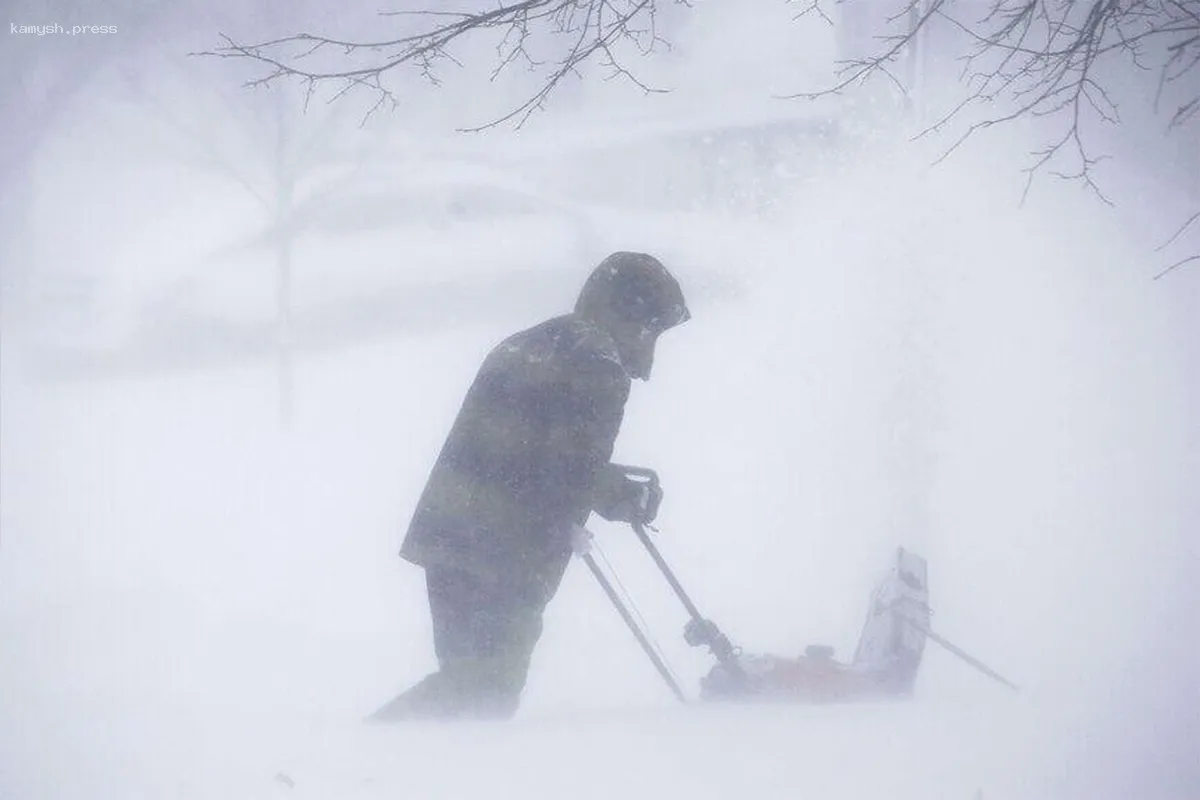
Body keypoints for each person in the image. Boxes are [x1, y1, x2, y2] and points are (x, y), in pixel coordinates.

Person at [371, 251, 691, 721]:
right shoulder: (598, 363)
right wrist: (624, 497)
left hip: (449, 537)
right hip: (506, 550)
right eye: (651, 327)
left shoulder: (532, 342)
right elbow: (569, 469)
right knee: (484, 691)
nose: (648, 348)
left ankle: (401, 766)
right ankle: (368, 753)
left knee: (469, 682)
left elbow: (538, 450)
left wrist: (606, 487)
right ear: (631, 314)